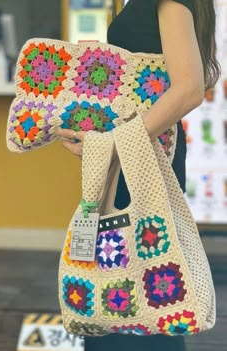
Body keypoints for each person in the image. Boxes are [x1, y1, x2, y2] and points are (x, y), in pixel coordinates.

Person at [57, 0, 220, 350]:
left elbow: (188, 89)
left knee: (141, 272)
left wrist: (115, 143)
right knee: (130, 271)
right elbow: (148, 76)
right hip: (138, 151)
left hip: (142, 155)